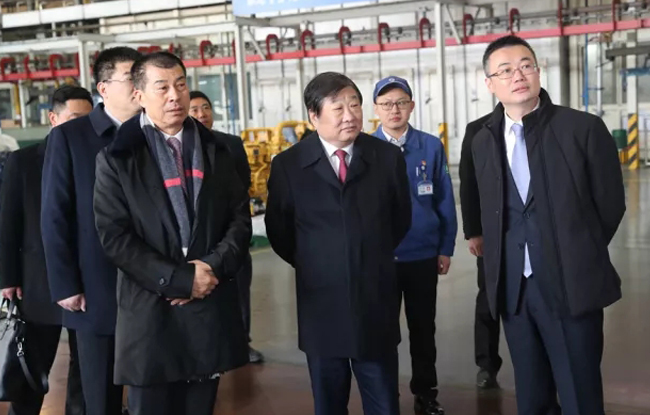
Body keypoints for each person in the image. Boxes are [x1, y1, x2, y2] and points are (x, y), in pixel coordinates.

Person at [462, 35, 625, 415]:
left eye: (526, 66)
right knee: (532, 395)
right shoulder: (482, 138)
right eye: (505, 70)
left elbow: (610, 205)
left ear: (538, 71)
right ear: (489, 83)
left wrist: (576, 248)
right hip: (515, 291)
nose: (517, 76)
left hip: (571, 284)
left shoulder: (582, 129)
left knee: (580, 394)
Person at [93, 51, 251, 415]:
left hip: (207, 302)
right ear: (139, 95)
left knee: (201, 406)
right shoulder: (118, 157)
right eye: (162, 87)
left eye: (180, 85)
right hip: (152, 311)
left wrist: (210, 269)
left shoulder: (219, 148)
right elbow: (115, 237)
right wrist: (179, 280)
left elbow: (239, 219)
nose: (174, 96)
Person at [265, 72, 412, 415]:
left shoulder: (386, 158)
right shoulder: (289, 165)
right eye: (338, 107)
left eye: (355, 105)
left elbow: (400, 219)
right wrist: (319, 260)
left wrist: (366, 254)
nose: (350, 115)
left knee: (384, 403)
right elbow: (280, 231)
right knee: (329, 403)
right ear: (313, 116)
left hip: (374, 299)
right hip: (321, 304)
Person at [41, 47, 143, 415]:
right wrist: (65, 285)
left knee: (153, 391)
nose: (140, 86)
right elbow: (55, 214)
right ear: (103, 87)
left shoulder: (154, 132)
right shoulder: (71, 137)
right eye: (131, 78)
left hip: (153, 284)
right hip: (95, 286)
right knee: (99, 395)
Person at [0, 85, 91, 415]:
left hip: (88, 281)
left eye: (87, 120)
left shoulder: (99, 158)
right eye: (74, 118)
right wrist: (7, 278)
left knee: (87, 370)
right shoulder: (24, 162)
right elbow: (8, 222)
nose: (82, 127)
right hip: (37, 283)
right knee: (31, 365)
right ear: (53, 118)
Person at [371, 76, 456, 415]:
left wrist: (445, 247)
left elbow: (445, 200)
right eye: (387, 104)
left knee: (423, 329)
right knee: (383, 330)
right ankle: (384, 394)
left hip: (422, 254)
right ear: (376, 110)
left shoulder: (430, 146)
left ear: (412, 106)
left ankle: (426, 393)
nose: (394, 109)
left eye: (401, 102)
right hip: (381, 259)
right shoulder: (365, 149)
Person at [189, 90, 264, 364]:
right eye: (195, 109)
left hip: (231, 233)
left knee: (239, 290)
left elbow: (242, 186)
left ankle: (242, 343)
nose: (202, 114)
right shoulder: (183, 146)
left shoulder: (230, 143)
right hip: (200, 237)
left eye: (206, 108)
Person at [459, 113, 503, 390]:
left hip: (532, 234)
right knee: (489, 298)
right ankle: (486, 365)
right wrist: (473, 231)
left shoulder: (544, 127)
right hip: (491, 233)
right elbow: (469, 183)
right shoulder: (478, 130)